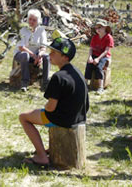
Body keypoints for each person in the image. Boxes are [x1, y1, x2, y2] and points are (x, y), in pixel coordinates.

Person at [19, 37, 89, 167]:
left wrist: (44, 108)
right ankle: (50, 150)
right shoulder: (77, 72)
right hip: (79, 118)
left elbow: (50, 108)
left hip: (62, 119)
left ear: (65, 57)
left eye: (54, 53)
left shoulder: (58, 77)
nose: (50, 55)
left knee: (24, 117)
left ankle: (41, 156)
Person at [14, 9, 50, 92]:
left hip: (36, 55)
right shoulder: (23, 29)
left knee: (47, 56)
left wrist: (40, 55)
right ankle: (24, 83)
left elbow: (43, 46)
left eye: (34, 20)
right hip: (21, 54)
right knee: (25, 55)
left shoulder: (41, 30)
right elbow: (21, 47)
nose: (31, 22)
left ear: (38, 21)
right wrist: (34, 56)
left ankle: (45, 83)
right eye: (30, 19)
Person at [84, 19, 114, 93]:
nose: (98, 29)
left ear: (105, 28)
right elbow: (91, 49)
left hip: (104, 56)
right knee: (89, 65)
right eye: (96, 28)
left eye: (100, 27)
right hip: (95, 55)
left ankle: (100, 87)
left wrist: (97, 59)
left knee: (98, 67)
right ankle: (85, 84)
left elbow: (106, 51)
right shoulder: (95, 37)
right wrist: (90, 57)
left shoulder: (108, 37)